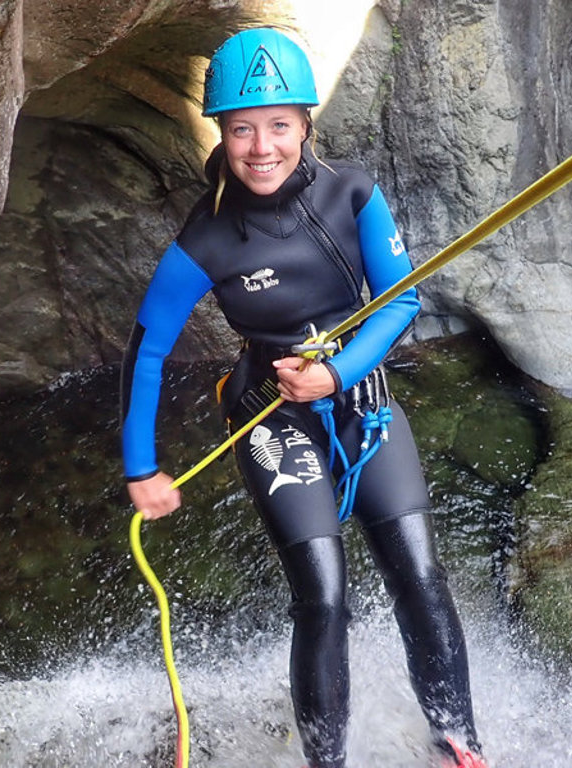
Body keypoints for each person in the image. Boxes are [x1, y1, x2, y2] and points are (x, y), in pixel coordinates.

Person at [120, 27, 487, 768]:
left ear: (305, 126)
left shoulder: (352, 193)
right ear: (221, 135)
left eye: (279, 126)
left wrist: (338, 373)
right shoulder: (208, 240)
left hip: (362, 400)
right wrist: (140, 467)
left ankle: (458, 740)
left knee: (418, 573)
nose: (262, 147)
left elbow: (399, 301)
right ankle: (328, 762)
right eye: (242, 129)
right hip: (270, 420)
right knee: (323, 598)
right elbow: (147, 349)